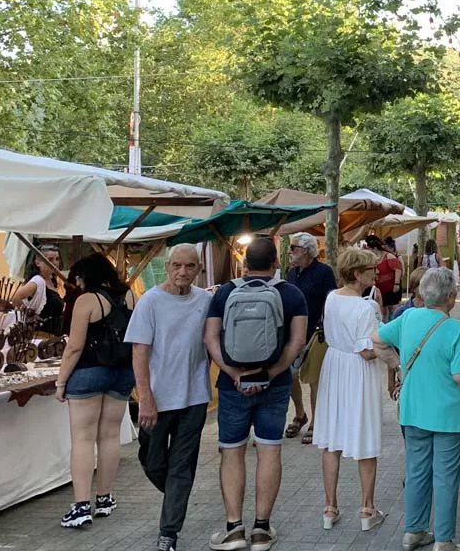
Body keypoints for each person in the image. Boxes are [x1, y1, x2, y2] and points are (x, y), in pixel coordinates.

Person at [204, 237, 308, 551]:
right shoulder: (290, 293)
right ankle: (262, 530)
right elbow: (297, 342)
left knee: (232, 452)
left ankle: (234, 529)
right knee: (269, 451)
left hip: (232, 387)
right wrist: (271, 374)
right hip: (274, 387)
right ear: (276, 263)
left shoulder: (224, 292)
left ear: (244, 264)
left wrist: (235, 374)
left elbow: (210, 338)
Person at [373, 268, 460, 551]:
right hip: (447, 415)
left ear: (422, 294)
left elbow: (377, 340)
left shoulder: (408, 318)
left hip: (412, 410)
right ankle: (443, 540)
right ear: (451, 297)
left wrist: (397, 364)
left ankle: (414, 531)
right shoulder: (456, 330)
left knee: (417, 471)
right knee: (445, 477)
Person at [127, 244, 212, 551]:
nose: (183, 272)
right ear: (167, 267)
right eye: (177, 265)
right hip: (158, 400)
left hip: (194, 398)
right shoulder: (150, 301)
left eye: (190, 266)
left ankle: (169, 533)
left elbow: (214, 342)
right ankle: (178, 494)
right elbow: (139, 351)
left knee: (181, 467)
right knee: (152, 462)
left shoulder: (205, 300)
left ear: (198, 269)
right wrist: (145, 398)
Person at [55, 253, 137, 529]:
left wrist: (61, 381)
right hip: (123, 372)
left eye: (77, 278)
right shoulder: (129, 296)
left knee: (82, 439)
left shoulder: (86, 300)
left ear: (85, 275)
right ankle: (104, 499)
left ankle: (80, 506)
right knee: (110, 435)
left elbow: (74, 347)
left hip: (88, 372)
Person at [312, 246, 387, 533]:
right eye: (370, 269)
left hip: (334, 365)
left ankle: (329, 506)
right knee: (364, 434)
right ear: (357, 274)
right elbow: (367, 351)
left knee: (332, 438)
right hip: (358, 371)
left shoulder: (331, 298)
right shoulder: (365, 307)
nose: (376, 273)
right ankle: (367, 507)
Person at [282, 232, 337, 445]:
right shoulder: (292, 273)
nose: (290, 252)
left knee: (314, 379)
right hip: (293, 332)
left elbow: (331, 301)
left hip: (317, 332)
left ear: (305, 250)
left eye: (293, 247)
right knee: (289, 375)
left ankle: (316, 421)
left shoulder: (324, 272)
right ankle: (300, 413)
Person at [11, 243, 66, 334]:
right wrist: (31, 315)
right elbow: (16, 298)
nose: (55, 263)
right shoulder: (37, 281)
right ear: (38, 263)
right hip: (38, 334)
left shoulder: (51, 281)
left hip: (52, 334)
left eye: (57, 259)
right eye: (50, 259)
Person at [367, 234, 403, 321]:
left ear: (374, 248)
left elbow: (398, 269)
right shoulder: (372, 258)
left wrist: (396, 284)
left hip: (392, 288)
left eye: (369, 248)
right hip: (380, 289)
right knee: (382, 310)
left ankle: (393, 326)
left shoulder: (388, 256)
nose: (368, 250)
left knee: (393, 309)